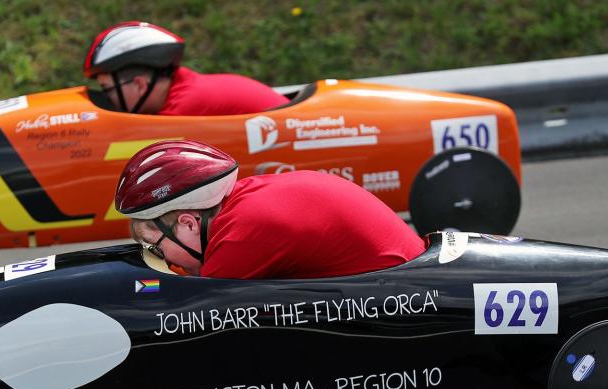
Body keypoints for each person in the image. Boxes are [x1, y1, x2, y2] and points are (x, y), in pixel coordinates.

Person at [115, 139, 426, 278]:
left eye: (155, 248)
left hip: (407, 293)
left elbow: (189, 309)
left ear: (188, 223)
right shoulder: (241, 201)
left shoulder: (241, 236)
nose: (165, 261)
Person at [84, 21, 288, 115]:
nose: (106, 99)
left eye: (106, 89)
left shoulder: (182, 109)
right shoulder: (182, 84)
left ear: (140, 85)